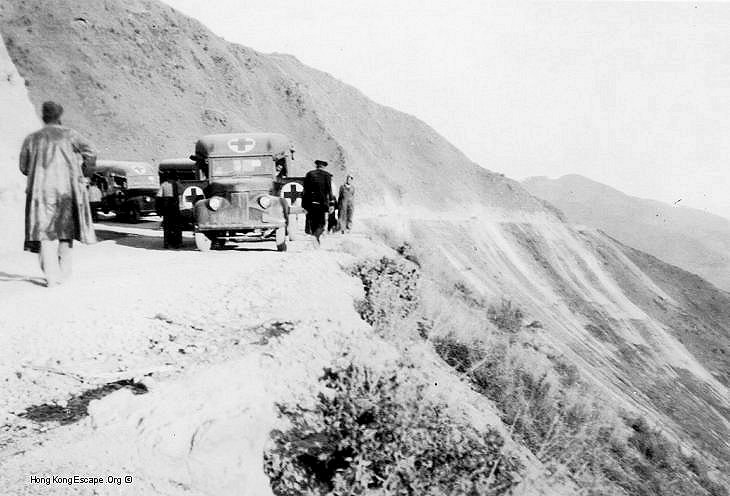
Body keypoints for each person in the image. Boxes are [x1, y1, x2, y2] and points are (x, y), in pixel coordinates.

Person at [19, 101, 97, 287]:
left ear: (43, 116)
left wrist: (37, 170)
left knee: (43, 233)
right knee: (65, 231)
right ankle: (64, 273)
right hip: (66, 191)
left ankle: (51, 277)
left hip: (40, 193)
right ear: (59, 116)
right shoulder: (69, 134)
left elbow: (23, 167)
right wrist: (84, 172)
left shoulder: (31, 139)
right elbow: (91, 151)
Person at [302, 159, 334, 245]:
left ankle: (315, 239)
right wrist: (331, 203)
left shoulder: (309, 174)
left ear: (316, 166)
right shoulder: (327, 175)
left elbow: (305, 191)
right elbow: (329, 190)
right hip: (322, 203)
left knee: (313, 222)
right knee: (321, 223)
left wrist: (304, 205)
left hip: (310, 203)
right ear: (323, 167)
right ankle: (316, 237)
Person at [157, 171, 182, 249]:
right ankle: (177, 243)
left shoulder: (163, 184)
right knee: (176, 226)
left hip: (166, 207)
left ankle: (167, 243)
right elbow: (181, 193)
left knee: (167, 226)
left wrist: (159, 209)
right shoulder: (177, 184)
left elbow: (159, 196)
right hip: (175, 207)